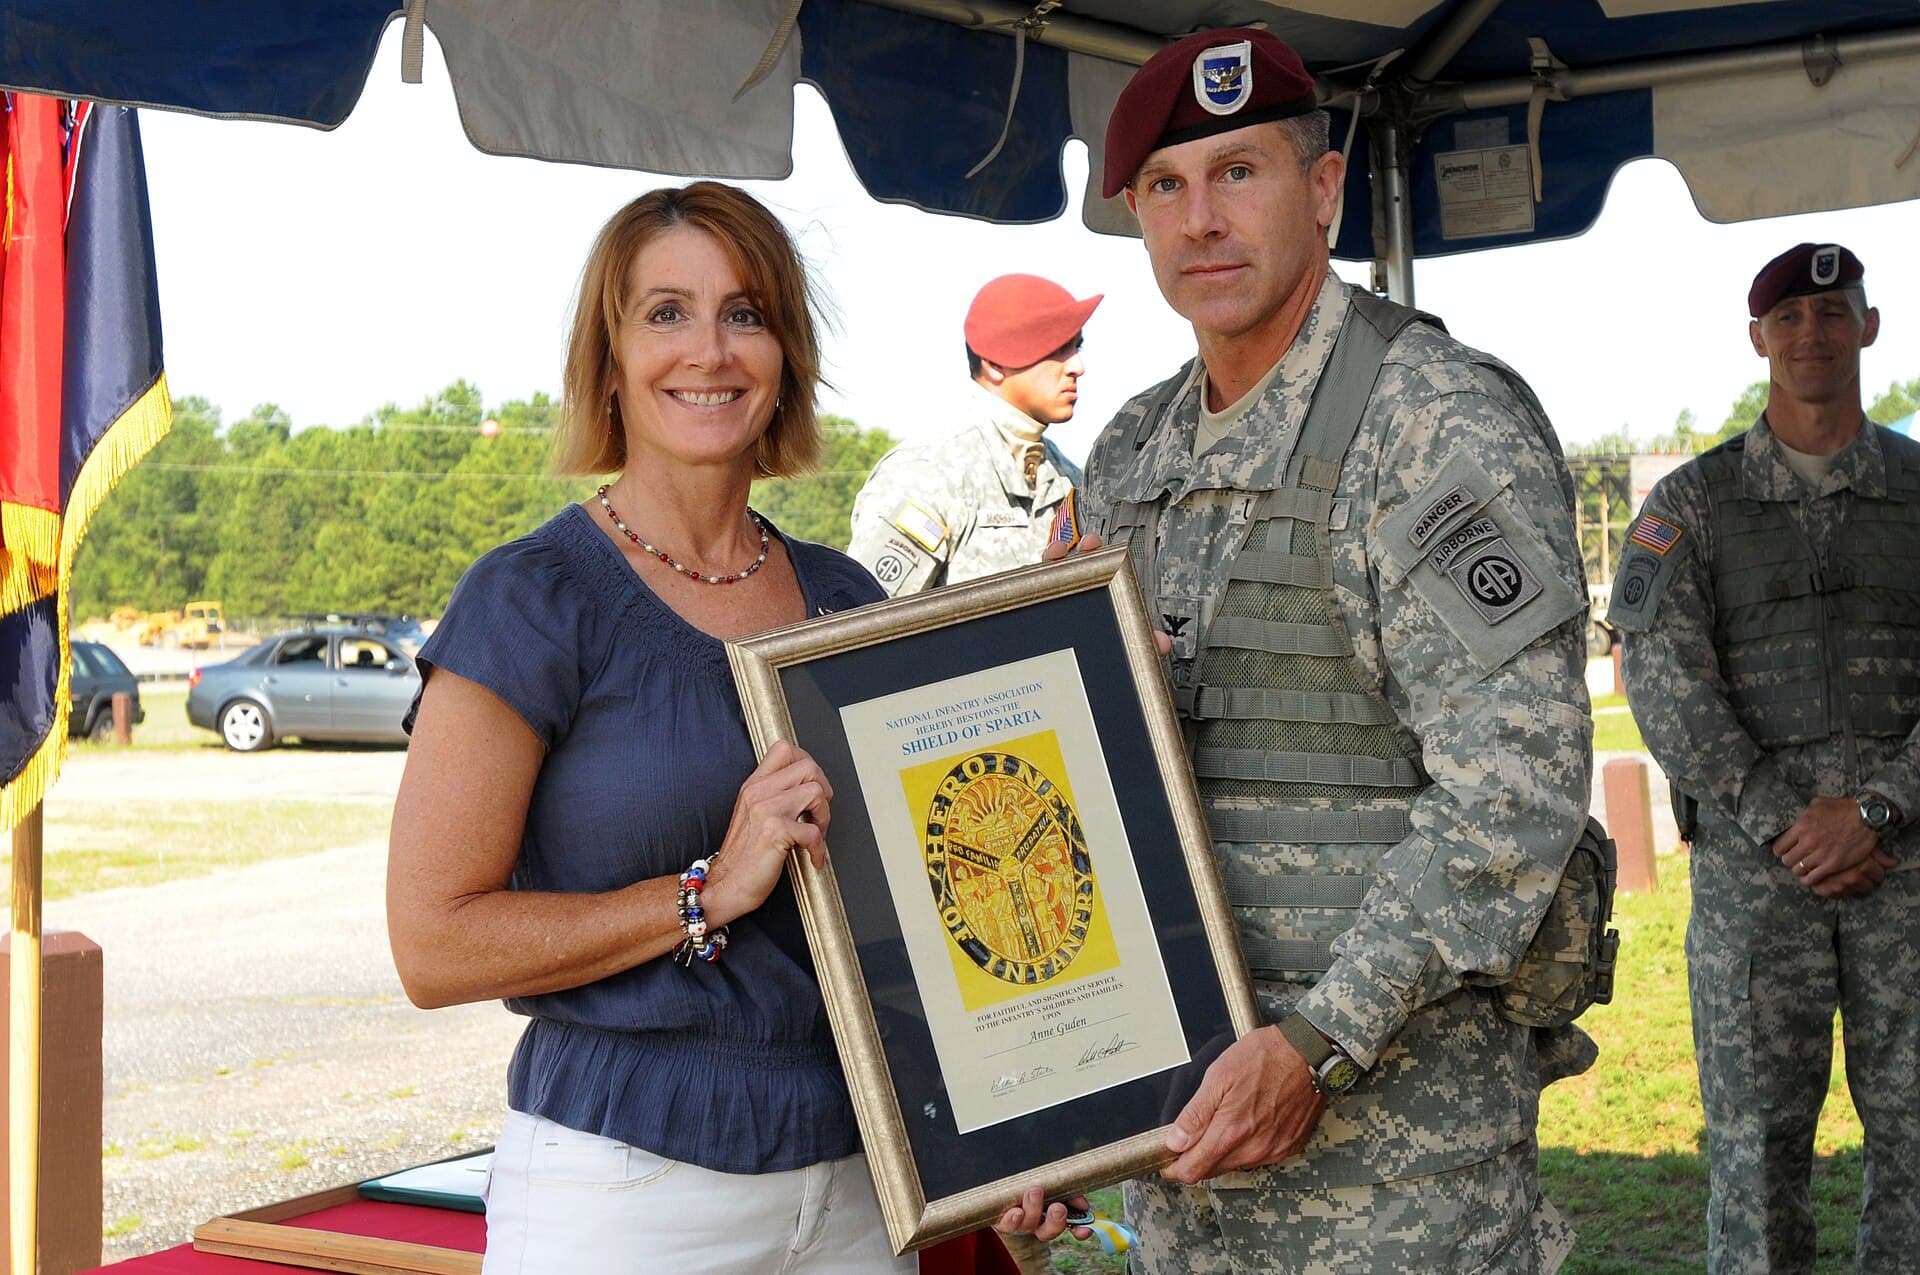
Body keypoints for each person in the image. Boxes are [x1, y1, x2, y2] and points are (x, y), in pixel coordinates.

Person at [1001, 27, 1595, 1271]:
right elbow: (1099, 792)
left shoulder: (1431, 423)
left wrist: (1322, 1041)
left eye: (1240, 173)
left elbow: (1516, 793)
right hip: (1187, 1155)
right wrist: (1046, 1104)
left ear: (1323, 192)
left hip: (1400, 1179)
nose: (1201, 220)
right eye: (1166, 186)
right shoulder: (1131, 456)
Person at [385, 181, 916, 1273]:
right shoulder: (534, 598)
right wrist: (708, 890)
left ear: (785, 356)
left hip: (864, 1189)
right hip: (624, 1189)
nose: (710, 350)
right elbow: (432, 947)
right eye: (666, 313)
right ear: (610, 358)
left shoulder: (850, 602)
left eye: (747, 313)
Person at [1610, 243, 1920, 1271]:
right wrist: (1791, 818)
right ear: (1758, 340)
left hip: (1905, 873)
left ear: (1868, 328)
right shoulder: (1689, 509)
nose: (1811, 334)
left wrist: (1876, 809)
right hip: (1758, 886)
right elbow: (1662, 685)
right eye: (1788, 318)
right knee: (1754, 1159)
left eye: (1832, 312)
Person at [847, 273, 1099, 596]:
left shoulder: (1067, 479)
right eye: (1058, 348)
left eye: (1076, 347)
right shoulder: (931, 472)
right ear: (994, 363)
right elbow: (865, 626)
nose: (1077, 366)